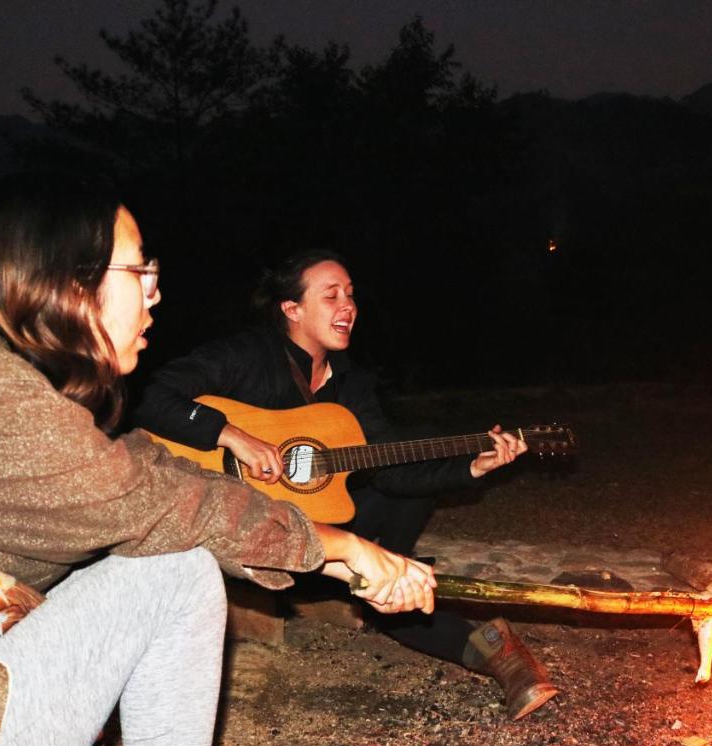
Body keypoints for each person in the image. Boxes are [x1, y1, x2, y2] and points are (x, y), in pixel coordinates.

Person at [0, 173, 435, 746]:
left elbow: (147, 467)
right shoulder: (0, 414)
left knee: (97, 558)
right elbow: (170, 505)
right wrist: (344, 549)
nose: (155, 288)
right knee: (176, 573)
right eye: (137, 267)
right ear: (66, 283)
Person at [132, 250, 559, 721]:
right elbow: (153, 395)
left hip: (320, 544)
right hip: (243, 535)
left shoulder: (351, 384)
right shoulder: (245, 355)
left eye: (351, 296)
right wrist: (231, 434)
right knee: (376, 553)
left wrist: (473, 468)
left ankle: (404, 599)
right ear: (291, 310)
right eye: (331, 295)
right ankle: (385, 593)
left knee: (409, 480)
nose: (348, 306)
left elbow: (391, 468)